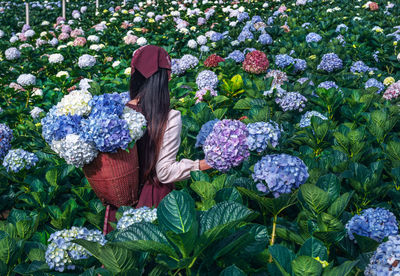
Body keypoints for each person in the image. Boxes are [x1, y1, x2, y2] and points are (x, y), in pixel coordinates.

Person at [126, 45, 211, 208]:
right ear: (162, 77)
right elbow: (164, 173)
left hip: (121, 201)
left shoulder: (120, 111)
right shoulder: (169, 118)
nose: (171, 78)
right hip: (153, 200)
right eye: (169, 72)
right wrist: (206, 163)